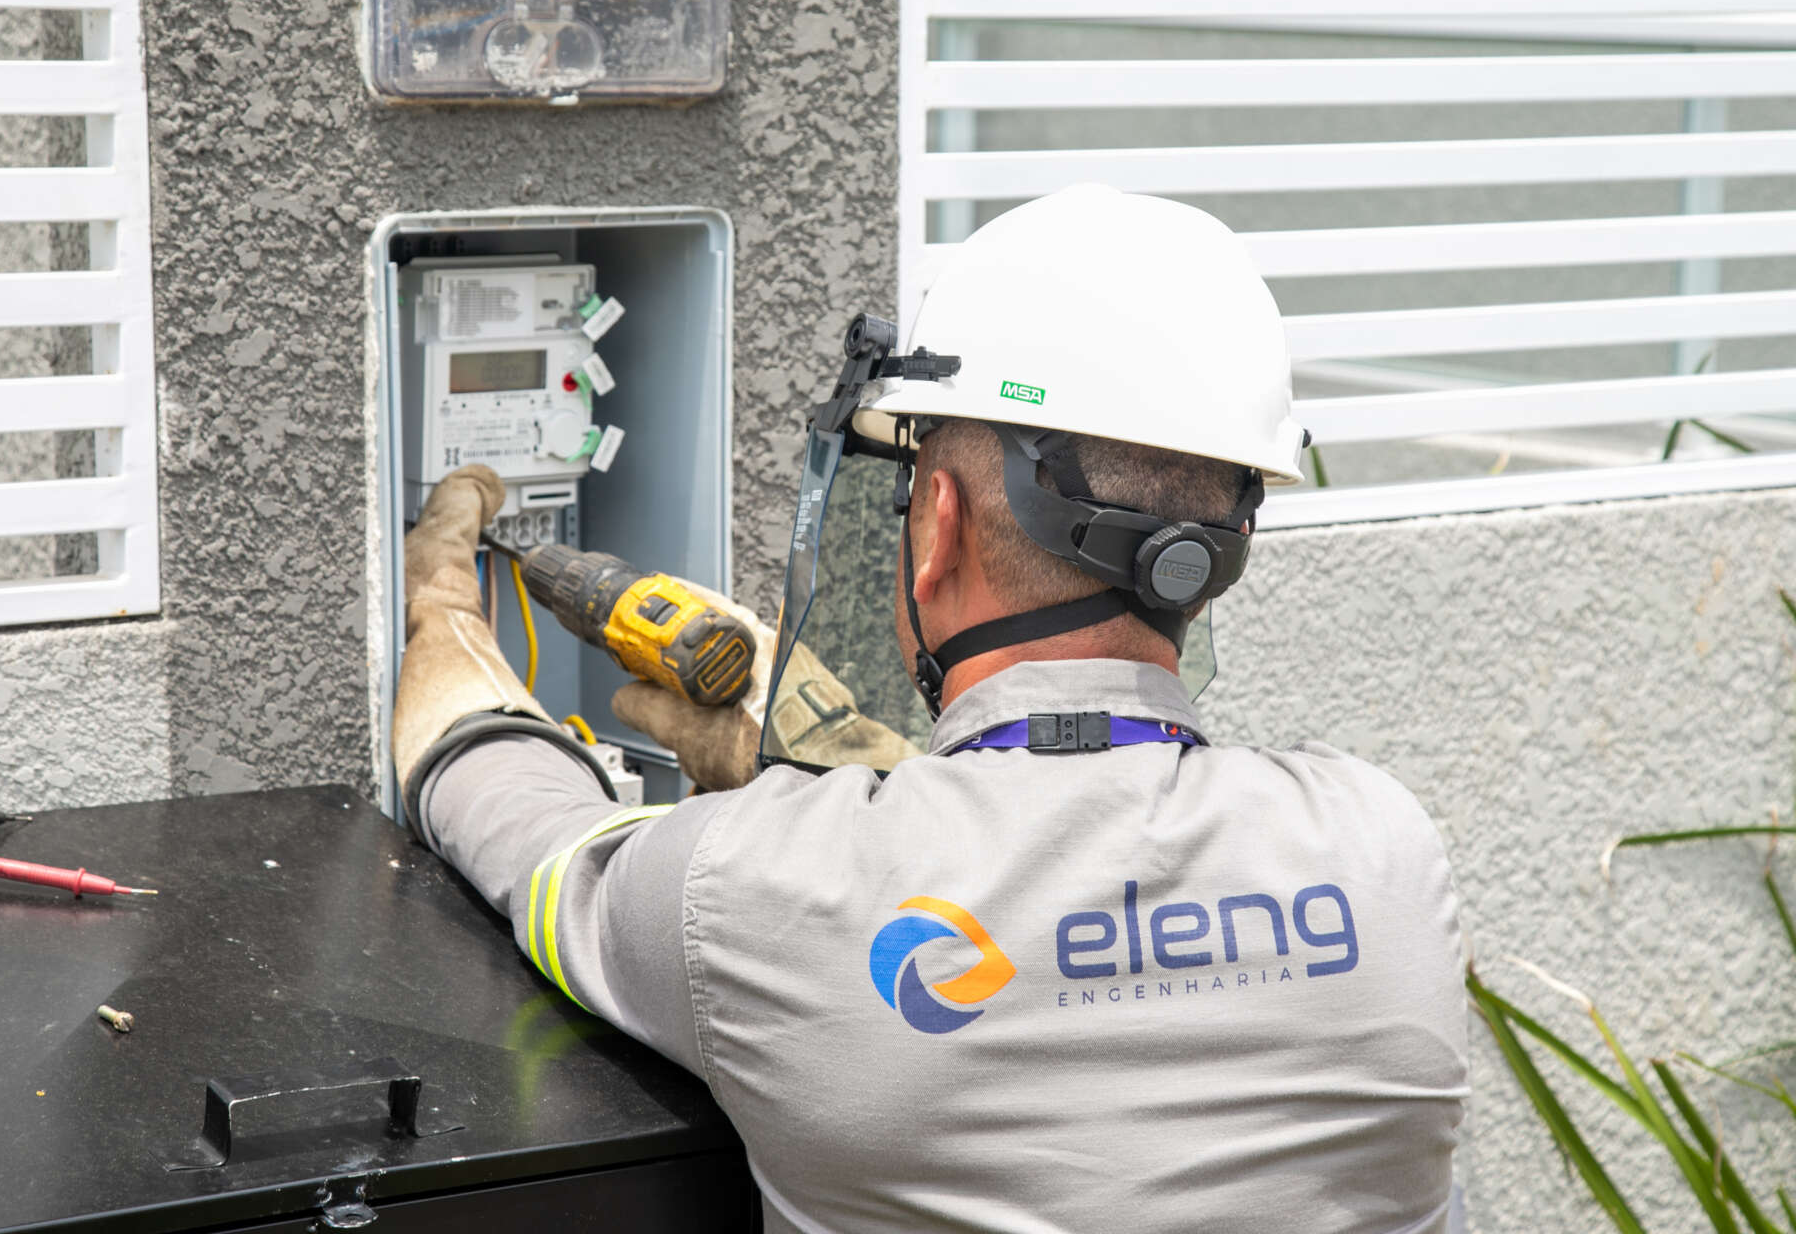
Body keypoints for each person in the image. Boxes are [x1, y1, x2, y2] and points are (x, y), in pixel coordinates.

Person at [392, 185, 1469, 1233]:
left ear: (938, 521)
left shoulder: (758, 885)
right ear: (1217, 551)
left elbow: (527, 833)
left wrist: (443, 615)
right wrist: (862, 773)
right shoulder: (1384, 851)